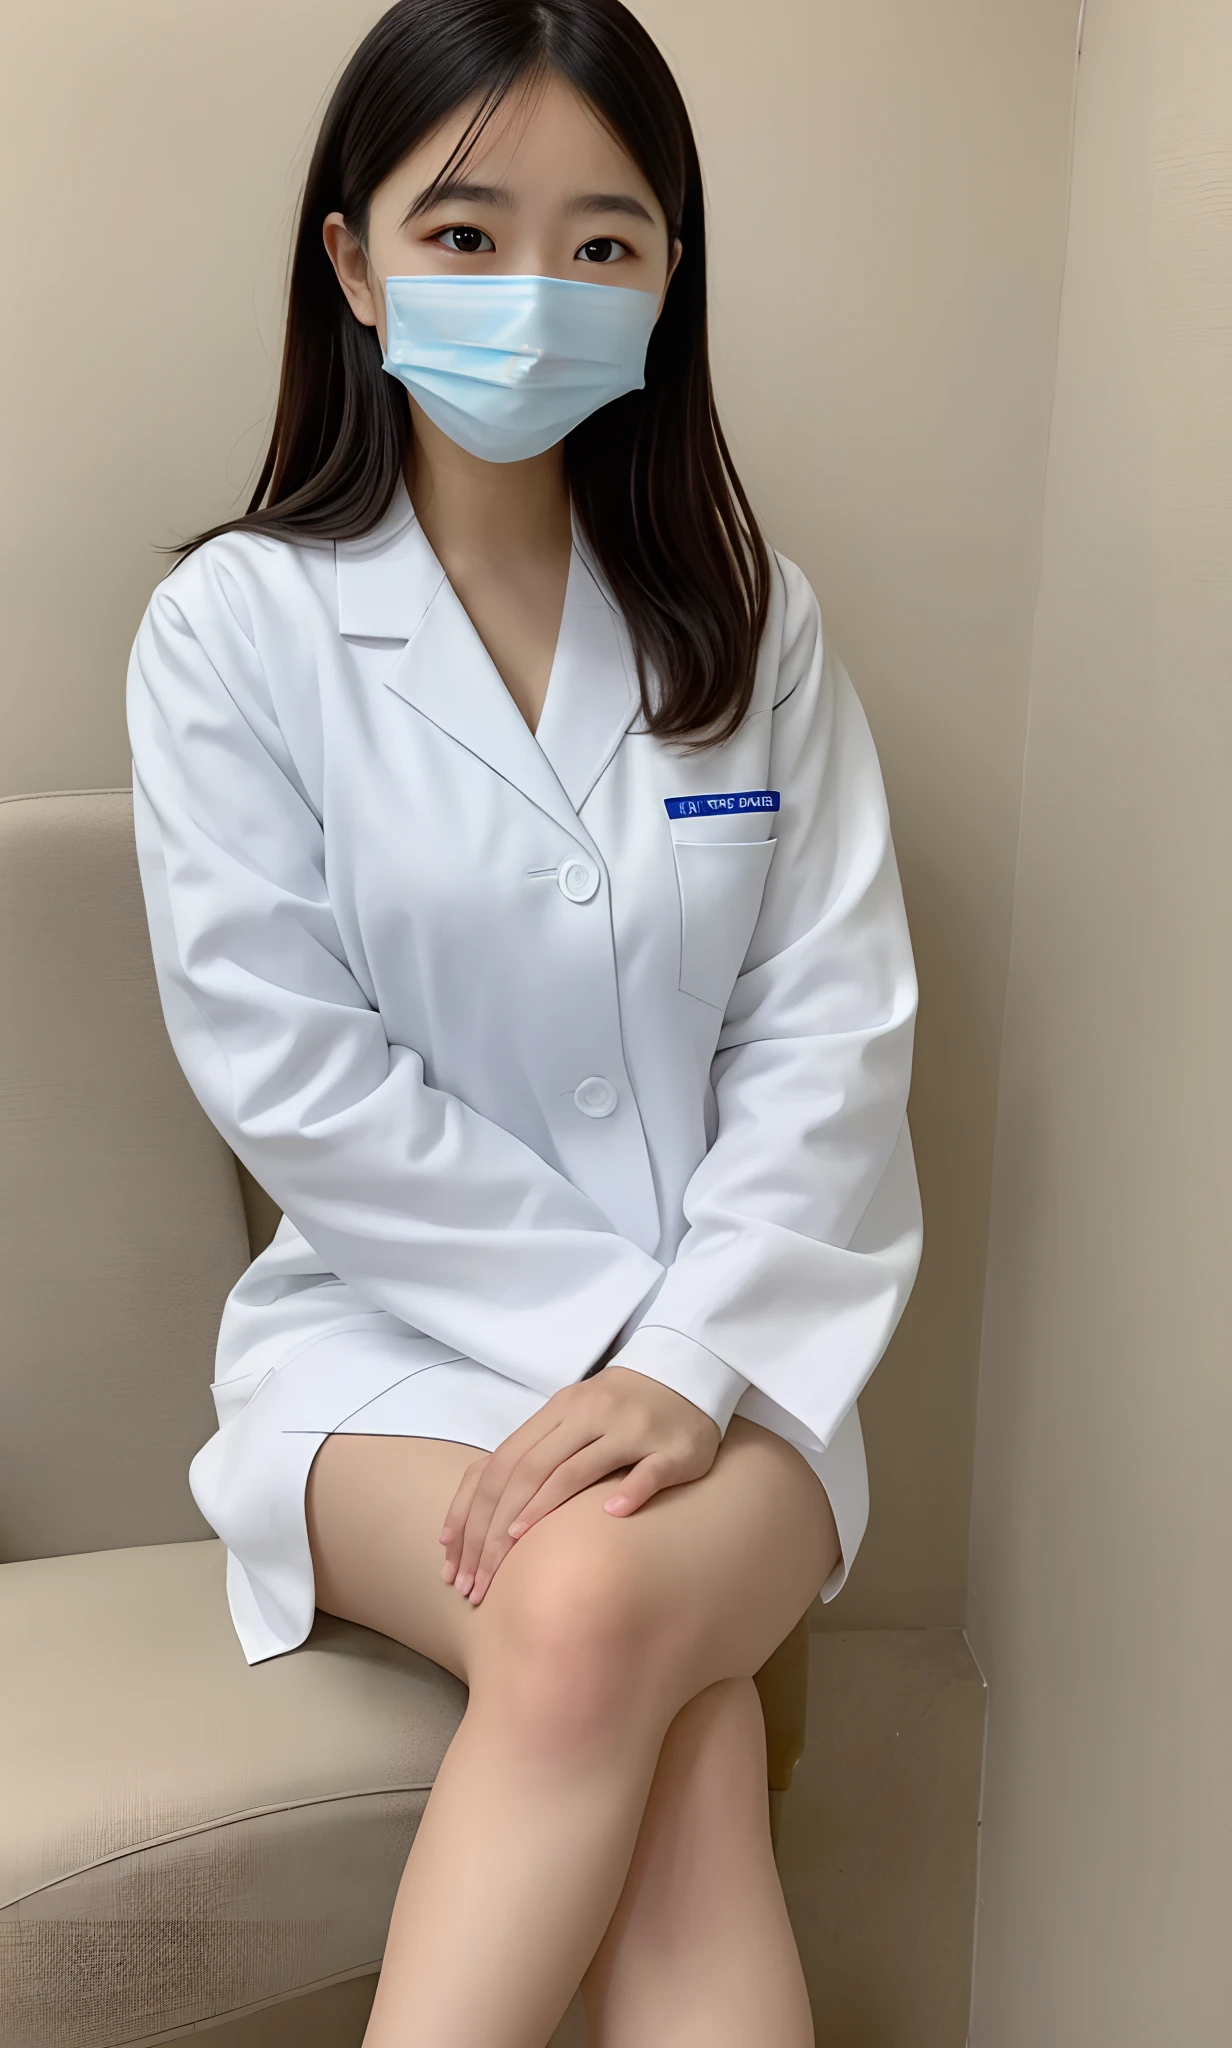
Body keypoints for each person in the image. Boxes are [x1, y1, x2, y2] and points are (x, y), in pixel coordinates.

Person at [125, 2, 923, 2041]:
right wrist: (605, 1337)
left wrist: (686, 1358)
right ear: (352, 261)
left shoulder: (750, 621)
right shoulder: (236, 628)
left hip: (743, 1350)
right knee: (629, 1662)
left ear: (668, 279)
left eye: (601, 241)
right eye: (465, 235)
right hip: (375, 1353)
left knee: (605, 1638)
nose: (530, 291)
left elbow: (830, 1032)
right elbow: (285, 1069)